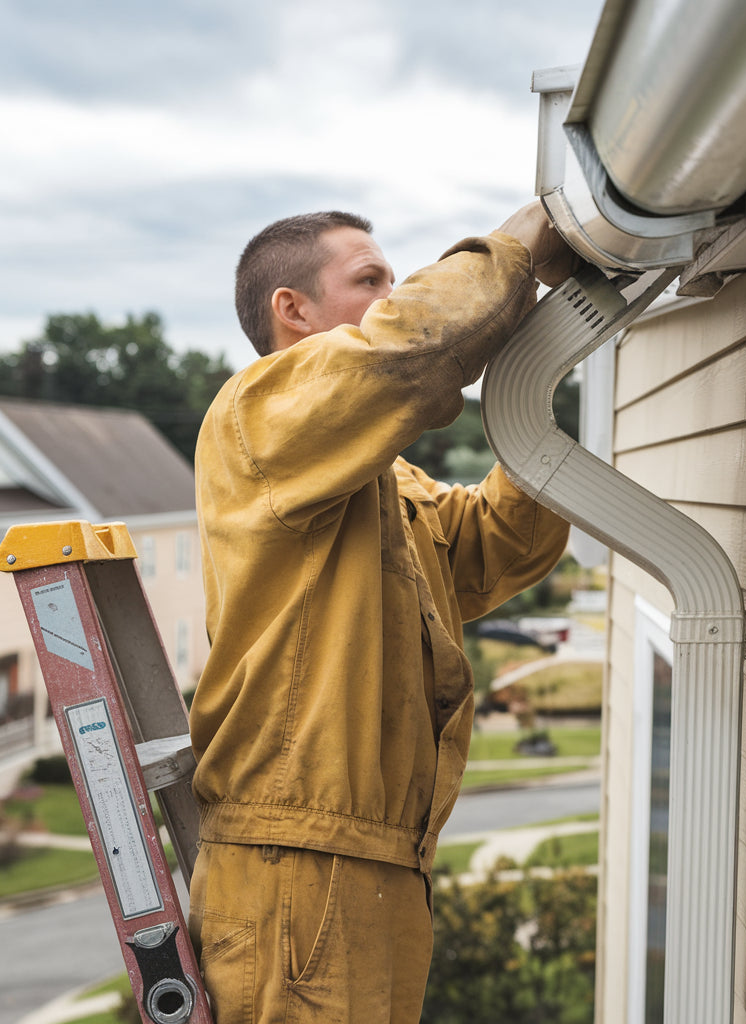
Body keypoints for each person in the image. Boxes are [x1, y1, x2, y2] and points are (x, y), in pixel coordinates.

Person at [187, 201, 580, 1023]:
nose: (391, 295)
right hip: (299, 866)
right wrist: (518, 247)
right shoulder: (257, 416)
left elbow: (493, 547)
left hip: (371, 868)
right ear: (291, 311)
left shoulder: (380, 479)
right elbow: (412, 347)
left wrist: (537, 377)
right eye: (369, 280)